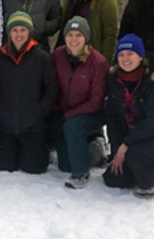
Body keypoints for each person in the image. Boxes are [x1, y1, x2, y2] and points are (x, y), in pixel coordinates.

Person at [103, 34, 154, 198]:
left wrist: (125, 145)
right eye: (121, 54)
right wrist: (116, 150)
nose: (125, 59)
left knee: (135, 155)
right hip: (135, 137)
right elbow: (112, 118)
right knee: (113, 178)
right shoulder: (115, 81)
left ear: (141, 57)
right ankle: (138, 169)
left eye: (130, 54)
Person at [0, 12, 58, 173]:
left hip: (33, 126)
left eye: (23, 30)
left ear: (29, 32)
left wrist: (40, 111)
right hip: (5, 127)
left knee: (34, 168)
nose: (19, 34)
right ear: (9, 33)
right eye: (15, 30)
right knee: (4, 168)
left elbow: (51, 89)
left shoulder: (42, 58)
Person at [50, 16, 108, 189]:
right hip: (64, 112)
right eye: (70, 35)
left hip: (92, 113)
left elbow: (96, 102)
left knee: (72, 126)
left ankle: (81, 172)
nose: (74, 40)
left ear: (86, 38)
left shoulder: (98, 63)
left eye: (78, 35)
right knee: (65, 165)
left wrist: (68, 116)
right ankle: (90, 150)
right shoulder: (58, 55)